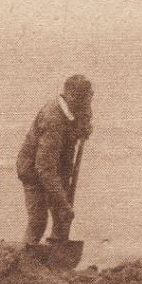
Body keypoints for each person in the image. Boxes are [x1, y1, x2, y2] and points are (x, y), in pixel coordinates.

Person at [16, 74, 93, 247]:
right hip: (33, 171)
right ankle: (25, 258)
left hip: (58, 167)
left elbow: (86, 117)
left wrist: (84, 127)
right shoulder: (53, 119)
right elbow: (44, 169)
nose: (88, 105)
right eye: (85, 100)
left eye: (89, 100)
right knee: (38, 221)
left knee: (62, 216)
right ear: (72, 96)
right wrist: (63, 203)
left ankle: (55, 255)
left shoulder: (78, 107)